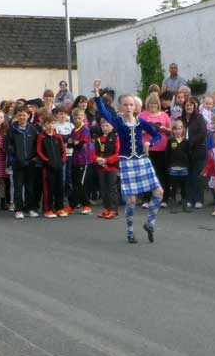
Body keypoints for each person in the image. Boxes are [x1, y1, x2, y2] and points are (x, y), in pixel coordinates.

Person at [93, 80, 164, 243]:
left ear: (135, 107)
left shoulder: (141, 122)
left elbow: (157, 135)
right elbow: (103, 112)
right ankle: (130, 231)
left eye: (131, 104)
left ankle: (150, 224)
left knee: (159, 192)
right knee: (131, 200)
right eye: (125, 105)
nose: (129, 107)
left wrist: (149, 143)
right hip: (127, 162)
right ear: (121, 107)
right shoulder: (117, 122)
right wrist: (97, 94)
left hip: (142, 161)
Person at [6, 106, 41, 218]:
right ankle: (19, 209)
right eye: (20, 115)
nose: (22, 117)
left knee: (30, 187)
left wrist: (35, 156)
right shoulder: (12, 129)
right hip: (18, 163)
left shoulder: (33, 129)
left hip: (30, 163)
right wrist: (13, 158)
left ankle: (30, 208)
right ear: (16, 116)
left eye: (24, 115)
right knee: (18, 187)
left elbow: (37, 144)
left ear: (28, 116)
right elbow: (7, 145)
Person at [66, 108, 94, 215]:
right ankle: (72, 205)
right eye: (75, 118)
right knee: (75, 183)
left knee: (81, 184)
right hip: (75, 160)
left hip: (84, 160)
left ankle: (86, 205)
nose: (77, 120)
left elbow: (81, 145)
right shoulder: (73, 130)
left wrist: (74, 142)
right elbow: (70, 144)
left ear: (83, 118)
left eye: (79, 118)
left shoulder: (85, 129)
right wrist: (74, 142)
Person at [94, 117, 121, 218]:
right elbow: (94, 153)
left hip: (112, 168)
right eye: (103, 126)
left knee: (112, 188)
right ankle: (107, 209)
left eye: (107, 125)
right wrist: (98, 160)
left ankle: (114, 210)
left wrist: (106, 160)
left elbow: (118, 153)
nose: (105, 128)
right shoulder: (98, 139)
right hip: (101, 167)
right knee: (103, 189)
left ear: (112, 126)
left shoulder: (116, 137)